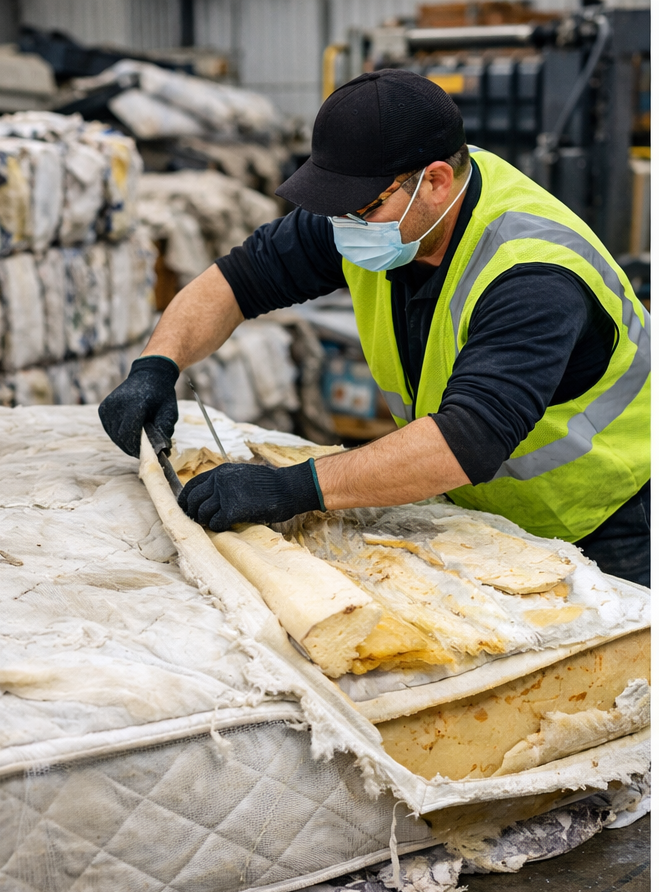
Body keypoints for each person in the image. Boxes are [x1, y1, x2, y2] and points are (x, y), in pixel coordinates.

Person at [99, 70, 650, 587]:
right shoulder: (378, 213)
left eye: (360, 210)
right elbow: (238, 281)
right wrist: (157, 365)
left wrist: (294, 488)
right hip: (479, 503)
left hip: (610, 515)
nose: (342, 228)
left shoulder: (531, 274)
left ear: (435, 181)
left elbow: (467, 440)